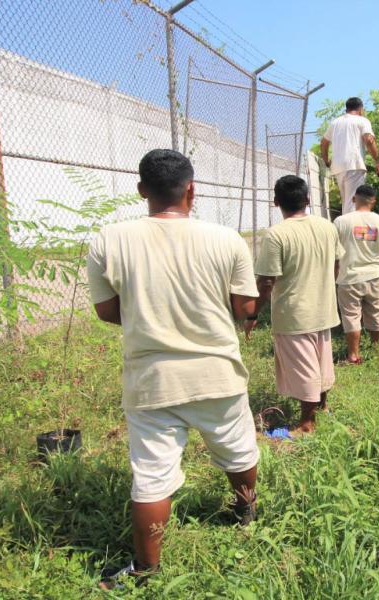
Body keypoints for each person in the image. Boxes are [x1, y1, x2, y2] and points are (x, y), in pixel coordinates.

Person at [87, 149, 261, 590]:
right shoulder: (227, 240)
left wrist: (151, 314)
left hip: (152, 380)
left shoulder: (109, 238)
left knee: (151, 475)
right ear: (192, 190)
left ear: (141, 190)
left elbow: (107, 311)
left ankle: (146, 570)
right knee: (239, 450)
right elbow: (245, 309)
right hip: (217, 372)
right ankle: (245, 513)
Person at [248, 175, 344, 434]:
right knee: (321, 360)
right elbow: (337, 264)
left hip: (294, 313)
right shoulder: (327, 227)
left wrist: (252, 314)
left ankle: (306, 423)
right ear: (308, 200)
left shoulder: (276, 234)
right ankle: (322, 407)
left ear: (276, 201)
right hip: (324, 307)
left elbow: (266, 281)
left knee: (304, 368)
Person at [334, 184, 379, 364]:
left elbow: (334, 252)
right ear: (373, 201)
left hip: (349, 277)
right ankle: (376, 349)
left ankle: (353, 355)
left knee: (351, 316)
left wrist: (334, 273)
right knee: (375, 312)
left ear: (353, 199)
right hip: (374, 276)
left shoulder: (341, 221)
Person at [320, 97, 379, 214]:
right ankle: (351, 231)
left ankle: (345, 230)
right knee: (353, 202)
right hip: (354, 164)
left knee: (347, 202)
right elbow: (369, 140)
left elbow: (324, 142)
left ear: (347, 108)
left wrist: (326, 160)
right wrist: (377, 160)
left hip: (338, 167)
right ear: (360, 109)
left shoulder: (335, 122)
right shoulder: (362, 120)